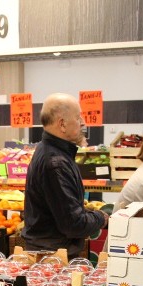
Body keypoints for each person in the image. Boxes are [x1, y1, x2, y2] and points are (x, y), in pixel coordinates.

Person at [22, 93, 109, 257]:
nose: (83, 122)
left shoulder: (50, 151)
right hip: (54, 257)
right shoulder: (56, 163)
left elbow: (62, 208)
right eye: (78, 117)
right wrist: (100, 218)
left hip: (49, 251)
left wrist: (84, 210)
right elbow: (72, 224)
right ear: (62, 124)